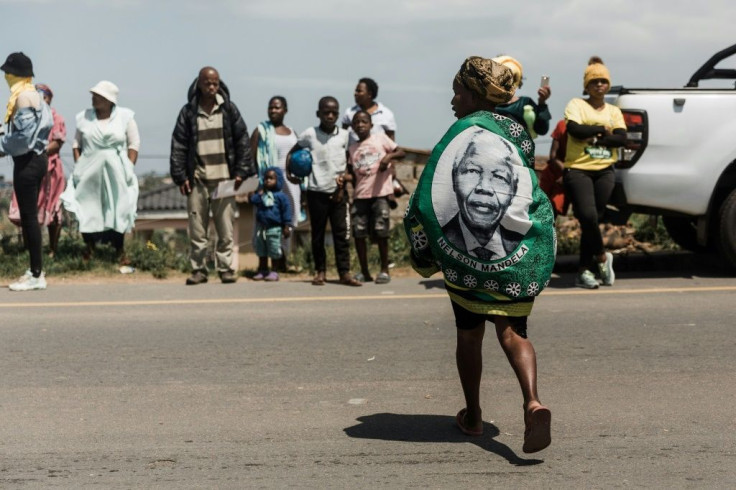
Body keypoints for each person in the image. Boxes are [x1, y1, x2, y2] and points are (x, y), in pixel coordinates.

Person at [403, 56, 556, 453]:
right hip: (516, 258)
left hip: (467, 267)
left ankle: (472, 416)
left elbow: (427, 197)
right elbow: (528, 187)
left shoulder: (462, 131)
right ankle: (532, 401)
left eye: (458, 91)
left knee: (469, 336)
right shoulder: (517, 132)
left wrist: (426, 249)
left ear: (473, 94)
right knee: (513, 332)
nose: (453, 99)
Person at [170, 66, 255, 285]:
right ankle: (199, 270)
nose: (211, 87)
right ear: (199, 84)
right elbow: (179, 145)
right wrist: (181, 176)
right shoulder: (188, 112)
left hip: (225, 180)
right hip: (197, 180)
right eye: (207, 83)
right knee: (198, 231)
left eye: (215, 83)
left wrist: (241, 172)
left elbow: (242, 141)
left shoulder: (228, 110)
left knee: (225, 229)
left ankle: (225, 269)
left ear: (220, 84)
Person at [563, 57, 627, 289]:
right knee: (587, 216)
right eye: (594, 81)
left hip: (604, 172)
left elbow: (621, 138)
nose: (599, 85)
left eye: (603, 81)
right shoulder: (577, 105)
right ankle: (602, 257)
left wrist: (595, 135)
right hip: (578, 169)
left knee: (593, 222)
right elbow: (575, 129)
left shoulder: (614, 111)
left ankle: (583, 272)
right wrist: (601, 130)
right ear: (586, 86)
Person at [60, 80, 140, 263]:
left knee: (118, 208)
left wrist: (129, 166)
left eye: (99, 96)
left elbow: (133, 144)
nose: (94, 99)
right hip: (89, 170)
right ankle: (90, 248)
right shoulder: (84, 117)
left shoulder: (125, 116)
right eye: (93, 96)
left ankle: (119, 250)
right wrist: (80, 164)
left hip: (117, 170)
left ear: (109, 100)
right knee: (88, 207)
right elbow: (76, 144)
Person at [286, 96, 360, 287]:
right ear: (318, 114)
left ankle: (344, 273)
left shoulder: (345, 135)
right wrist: (289, 172)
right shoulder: (309, 134)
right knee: (317, 235)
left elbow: (351, 160)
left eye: (334, 112)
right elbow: (292, 152)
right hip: (315, 191)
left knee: (342, 234)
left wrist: (347, 177)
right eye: (325, 112)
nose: (329, 115)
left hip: (339, 193)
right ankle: (320, 272)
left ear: (338, 114)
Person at [0, 52, 53, 291]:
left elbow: (23, 139)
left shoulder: (22, 97)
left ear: (15, 75)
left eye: (7, 73)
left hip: (28, 162)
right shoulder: (36, 95)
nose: (5, 77)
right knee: (30, 218)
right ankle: (35, 271)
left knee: (30, 218)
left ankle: (36, 275)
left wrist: (1, 146)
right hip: (36, 160)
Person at [441, 132, 524, 260]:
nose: (484, 188)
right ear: (454, 178)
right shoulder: (438, 240)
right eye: (472, 171)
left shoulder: (521, 246)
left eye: (499, 177)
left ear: (514, 190)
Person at [8, 84, 66, 257]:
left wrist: (37, 150)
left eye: (45, 97)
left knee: (53, 211)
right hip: (28, 166)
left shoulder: (55, 118)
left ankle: (52, 250)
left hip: (51, 170)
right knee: (28, 210)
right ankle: (30, 250)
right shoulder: (25, 117)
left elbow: (57, 142)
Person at [347, 110, 405, 284]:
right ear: (352, 127)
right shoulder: (352, 148)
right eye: (356, 122)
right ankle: (364, 271)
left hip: (380, 194)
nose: (360, 125)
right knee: (358, 233)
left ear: (371, 125)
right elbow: (352, 173)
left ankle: (384, 270)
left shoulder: (380, 138)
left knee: (381, 232)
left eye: (364, 121)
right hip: (360, 195)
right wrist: (343, 178)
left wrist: (389, 157)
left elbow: (401, 152)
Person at [249, 96, 300, 270]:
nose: (273, 111)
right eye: (270, 108)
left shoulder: (293, 132)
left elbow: (299, 157)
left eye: (277, 108)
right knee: (265, 220)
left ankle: (281, 262)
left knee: (288, 220)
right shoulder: (261, 131)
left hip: (290, 184)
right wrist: (254, 183)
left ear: (285, 110)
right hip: (267, 183)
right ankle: (263, 264)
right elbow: (251, 158)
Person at [248, 167, 292, 281]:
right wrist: (252, 191)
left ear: (278, 180)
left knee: (274, 250)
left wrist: (287, 226)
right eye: (266, 178)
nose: (268, 180)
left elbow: (286, 212)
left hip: (274, 228)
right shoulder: (262, 194)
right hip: (261, 228)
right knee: (261, 250)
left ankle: (274, 271)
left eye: (271, 178)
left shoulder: (281, 197)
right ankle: (262, 270)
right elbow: (252, 200)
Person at [492, 56, 551, 138]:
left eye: (512, 78)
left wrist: (542, 102)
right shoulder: (487, 103)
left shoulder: (525, 103)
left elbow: (542, 129)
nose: (507, 82)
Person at [341, 77, 396, 145]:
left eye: (359, 91)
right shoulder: (349, 112)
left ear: (369, 94)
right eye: (356, 91)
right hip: (354, 153)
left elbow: (391, 141)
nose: (355, 94)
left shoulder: (386, 114)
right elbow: (343, 137)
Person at [539, 119, 570, 218]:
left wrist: (568, 175)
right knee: (539, 206)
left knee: (553, 208)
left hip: (570, 176)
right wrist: (566, 172)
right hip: (553, 171)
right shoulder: (562, 125)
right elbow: (553, 155)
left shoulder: (589, 130)